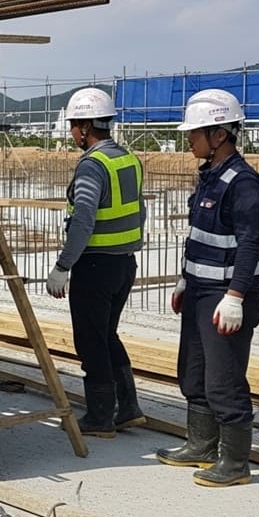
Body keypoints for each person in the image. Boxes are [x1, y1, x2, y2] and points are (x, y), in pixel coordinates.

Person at [157, 88, 259, 488]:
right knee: (194, 373)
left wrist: (236, 296)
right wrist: (185, 278)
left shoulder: (243, 183)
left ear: (220, 134)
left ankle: (236, 463)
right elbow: (200, 236)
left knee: (224, 381)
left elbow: (249, 244)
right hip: (200, 290)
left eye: (196, 132)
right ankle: (202, 445)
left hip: (225, 295)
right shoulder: (209, 177)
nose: (188, 139)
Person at [46, 88, 147, 438]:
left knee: (90, 340)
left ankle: (101, 417)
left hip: (95, 266)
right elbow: (140, 211)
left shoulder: (93, 164)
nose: (72, 132)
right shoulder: (128, 159)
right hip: (124, 264)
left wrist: (63, 265)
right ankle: (129, 407)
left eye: (75, 125)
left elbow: (84, 219)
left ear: (86, 126)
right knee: (107, 335)